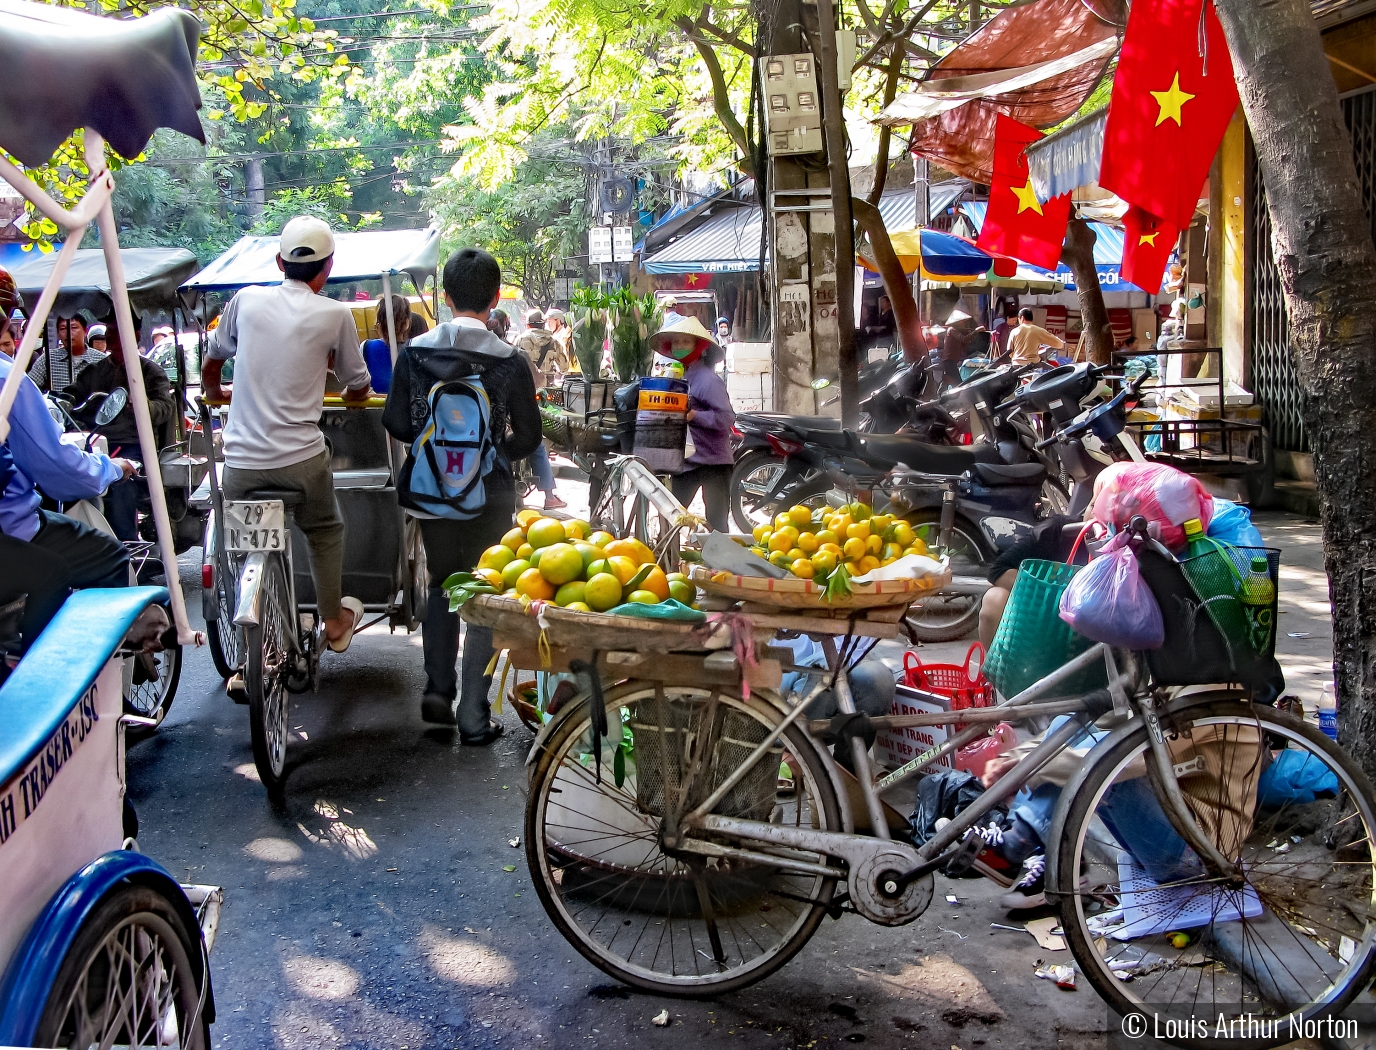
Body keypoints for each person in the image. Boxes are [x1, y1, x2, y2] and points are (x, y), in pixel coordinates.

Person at [383, 248, 541, 739]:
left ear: (446, 297)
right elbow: (530, 436)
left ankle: (437, 687)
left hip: (432, 493)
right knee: (484, 593)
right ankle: (473, 713)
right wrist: (488, 452)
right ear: (495, 299)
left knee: (442, 585)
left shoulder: (415, 352)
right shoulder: (509, 359)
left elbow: (396, 423)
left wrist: (440, 458)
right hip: (490, 492)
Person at [201, 216, 370, 658]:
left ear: (279, 262)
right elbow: (358, 382)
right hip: (302, 465)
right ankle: (333, 621)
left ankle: (248, 623)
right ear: (328, 267)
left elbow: (213, 357)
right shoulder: (334, 313)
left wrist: (216, 392)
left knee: (242, 539)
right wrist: (351, 395)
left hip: (240, 465)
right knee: (324, 528)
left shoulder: (245, 301)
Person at [0, 268, 135, 651]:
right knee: (106, 558)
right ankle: (52, 670)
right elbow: (55, 468)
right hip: (18, 518)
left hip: (119, 439)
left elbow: (156, 408)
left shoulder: (146, 370)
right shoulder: (16, 376)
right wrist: (111, 469)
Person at [65, 312, 177, 542]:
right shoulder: (95, 371)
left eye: (117, 333)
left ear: (134, 336)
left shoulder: (150, 372)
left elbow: (165, 407)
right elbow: (72, 395)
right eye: (110, 333)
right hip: (96, 443)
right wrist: (62, 402)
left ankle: (127, 547)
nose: (112, 338)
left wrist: (141, 404)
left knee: (120, 487)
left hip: (134, 445)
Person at [652, 316, 734, 533]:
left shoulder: (708, 380)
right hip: (687, 461)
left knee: (717, 524)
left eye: (686, 342)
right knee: (672, 517)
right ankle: (669, 559)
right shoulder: (679, 376)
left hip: (714, 463)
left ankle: (719, 564)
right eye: (676, 342)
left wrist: (694, 415)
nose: (680, 346)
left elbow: (727, 418)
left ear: (699, 346)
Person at [514, 309, 566, 510]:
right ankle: (549, 495)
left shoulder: (521, 339)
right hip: (546, 392)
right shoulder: (554, 341)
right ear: (543, 324)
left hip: (524, 391)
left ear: (528, 324)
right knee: (540, 438)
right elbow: (563, 367)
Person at [28, 312, 105, 392]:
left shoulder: (102, 360)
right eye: (63, 329)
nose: (68, 333)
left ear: (85, 331)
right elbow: (29, 388)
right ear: (58, 334)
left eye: (74, 327)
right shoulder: (48, 359)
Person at [361, 294, 412, 394]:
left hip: (374, 408)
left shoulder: (366, 347)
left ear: (379, 324)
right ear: (407, 323)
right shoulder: (415, 349)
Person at [939, 308, 972, 388]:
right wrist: (974, 333)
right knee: (957, 382)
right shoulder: (952, 330)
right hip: (949, 360)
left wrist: (969, 337)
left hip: (951, 360)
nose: (964, 323)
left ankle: (941, 393)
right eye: (962, 321)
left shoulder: (954, 331)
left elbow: (964, 345)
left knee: (951, 380)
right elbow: (964, 339)